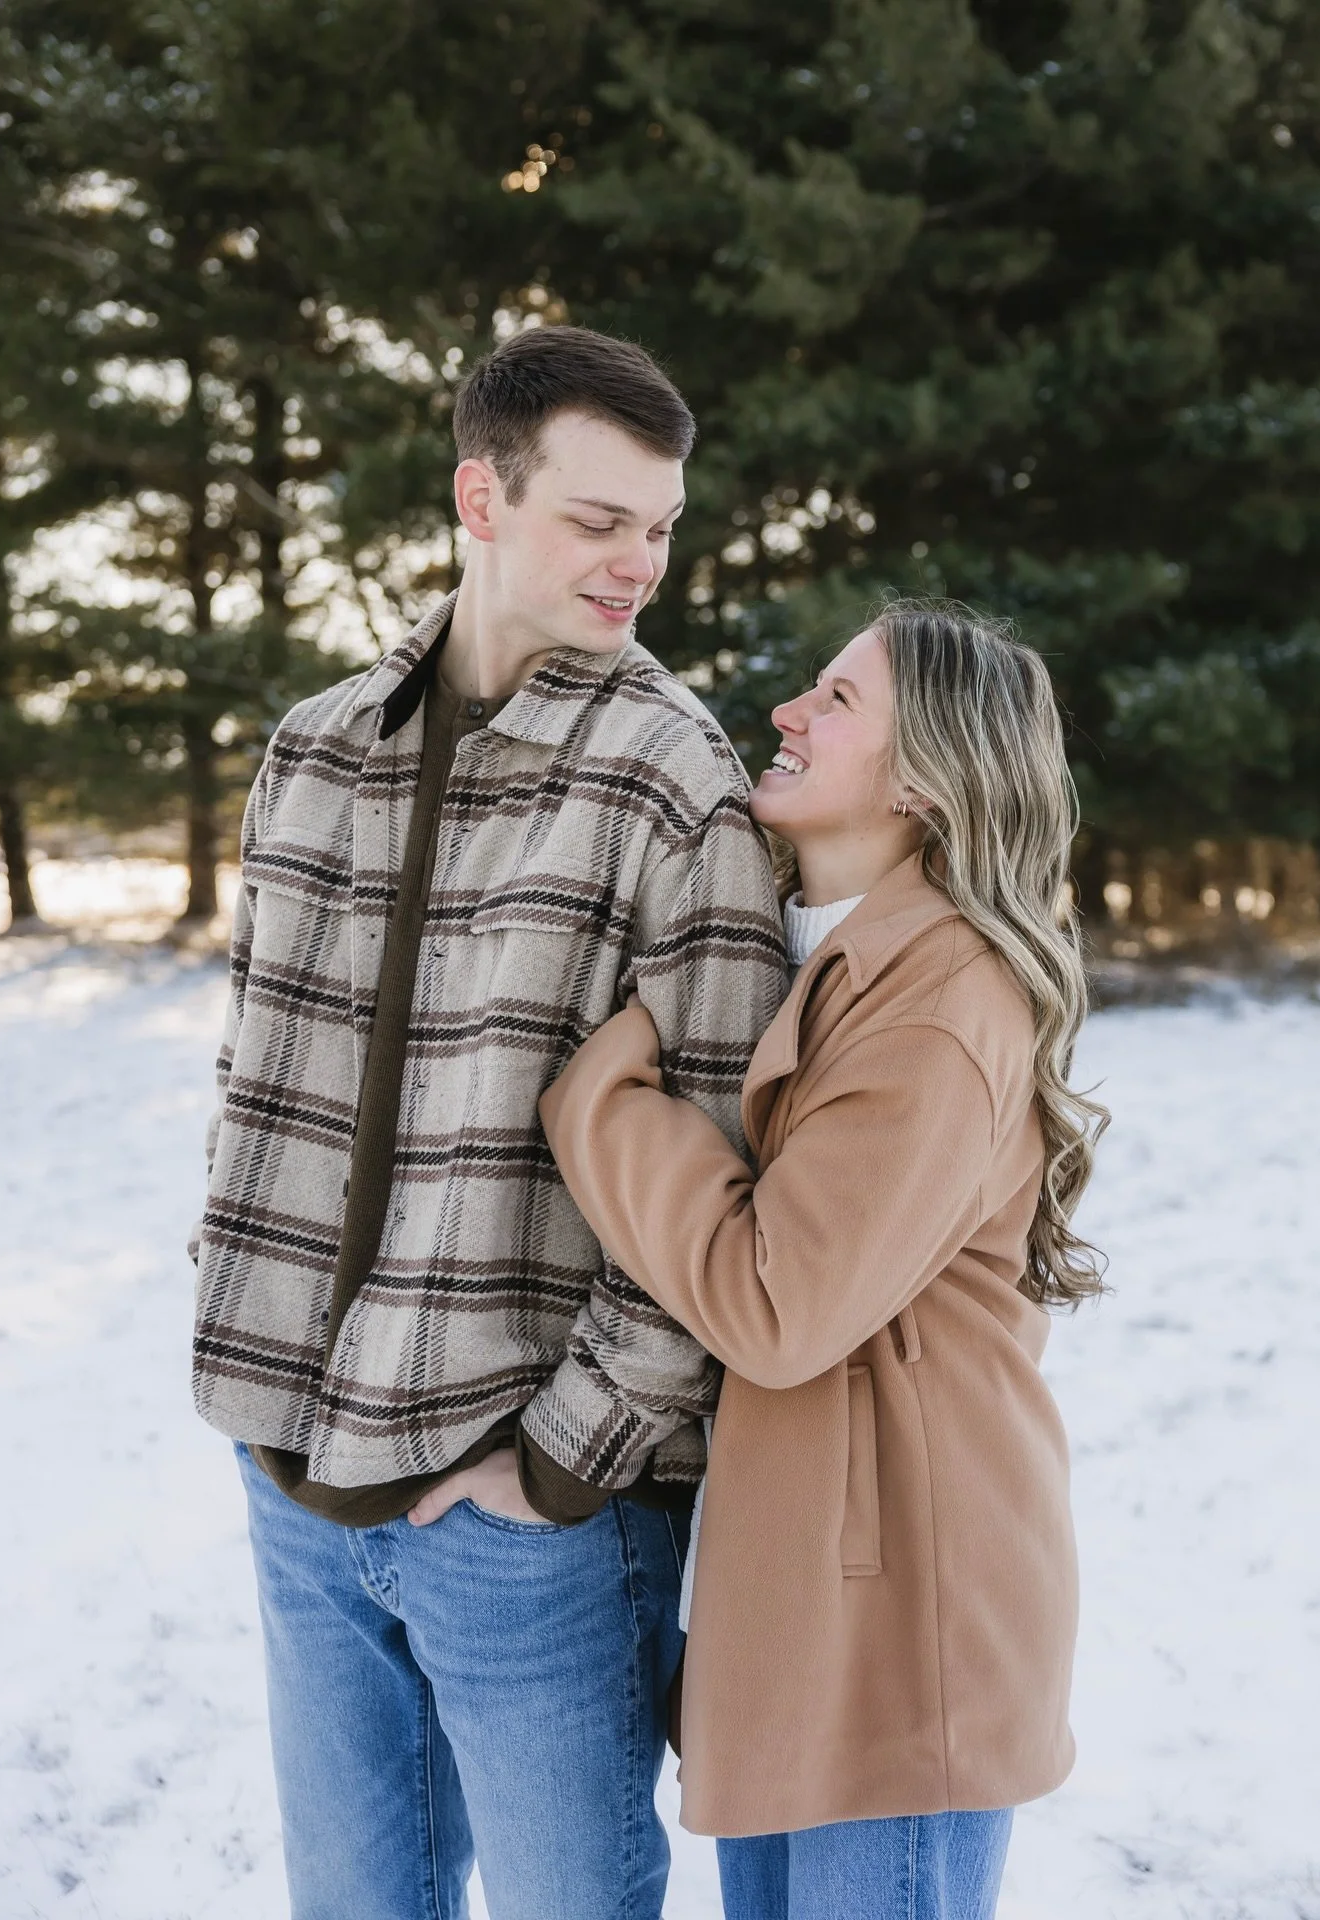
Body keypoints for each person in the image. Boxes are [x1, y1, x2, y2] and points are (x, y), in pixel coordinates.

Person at [189, 326, 786, 1920]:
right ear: (482, 494)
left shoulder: (676, 782)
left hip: (527, 1520)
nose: (640, 564)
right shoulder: (314, 751)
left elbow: (725, 1163)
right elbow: (256, 1081)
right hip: (295, 1478)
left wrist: (566, 1462)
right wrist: (258, 1392)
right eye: (602, 521)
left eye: (661, 526)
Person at [540, 598, 1108, 1920]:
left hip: (907, 1618)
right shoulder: (829, 954)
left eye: (837, 700)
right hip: (803, 1597)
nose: (787, 712)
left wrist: (605, 1105)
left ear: (925, 781)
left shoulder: (943, 999)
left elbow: (778, 1306)